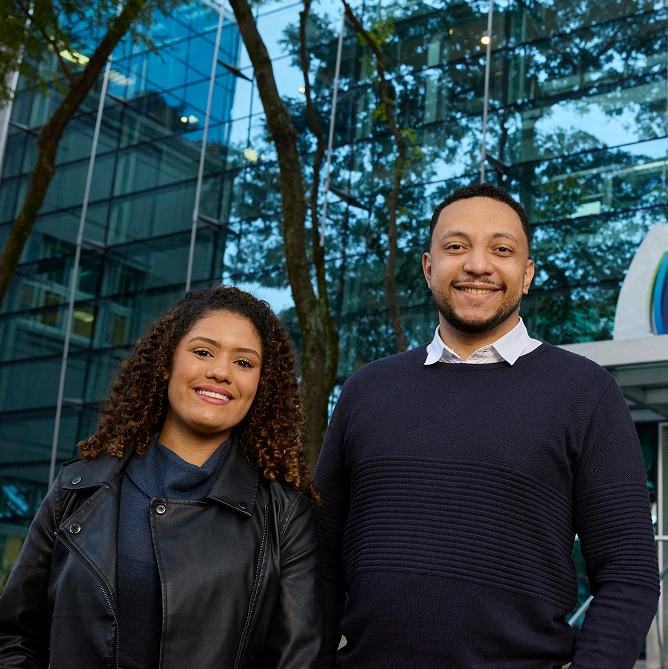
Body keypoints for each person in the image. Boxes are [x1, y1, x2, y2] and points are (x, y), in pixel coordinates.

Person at [313, 183, 659, 669]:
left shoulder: (586, 392)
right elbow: (319, 563)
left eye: (502, 249)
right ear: (429, 267)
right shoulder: (365, 391)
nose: (478, 265)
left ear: (527, 274)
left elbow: (629, 574)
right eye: (456, 247)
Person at [0, 286, 324, 669]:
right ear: (168, 362)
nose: (220, 372)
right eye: (203, 352)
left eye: (244, 363)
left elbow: (296, 660)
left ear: (261, 385)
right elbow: (14, 638)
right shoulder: (78, 488)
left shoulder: (283, 513)